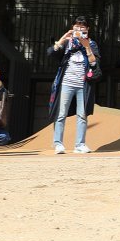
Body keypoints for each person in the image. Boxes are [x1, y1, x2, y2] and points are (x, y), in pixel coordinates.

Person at [47, 16, 101, 155]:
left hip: (83, 84)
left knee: (82, 115)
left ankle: (80, 144)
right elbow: (51, 53)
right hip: (66, 83)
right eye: (77, 27)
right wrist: (63, 38)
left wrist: (87, 46)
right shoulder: (67, 43)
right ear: (73, 28)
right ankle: (58, 143)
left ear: (87, 29)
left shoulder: (92, 44)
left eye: (82, 27)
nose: (79, 29)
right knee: (61, 113)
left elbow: (94, 64)